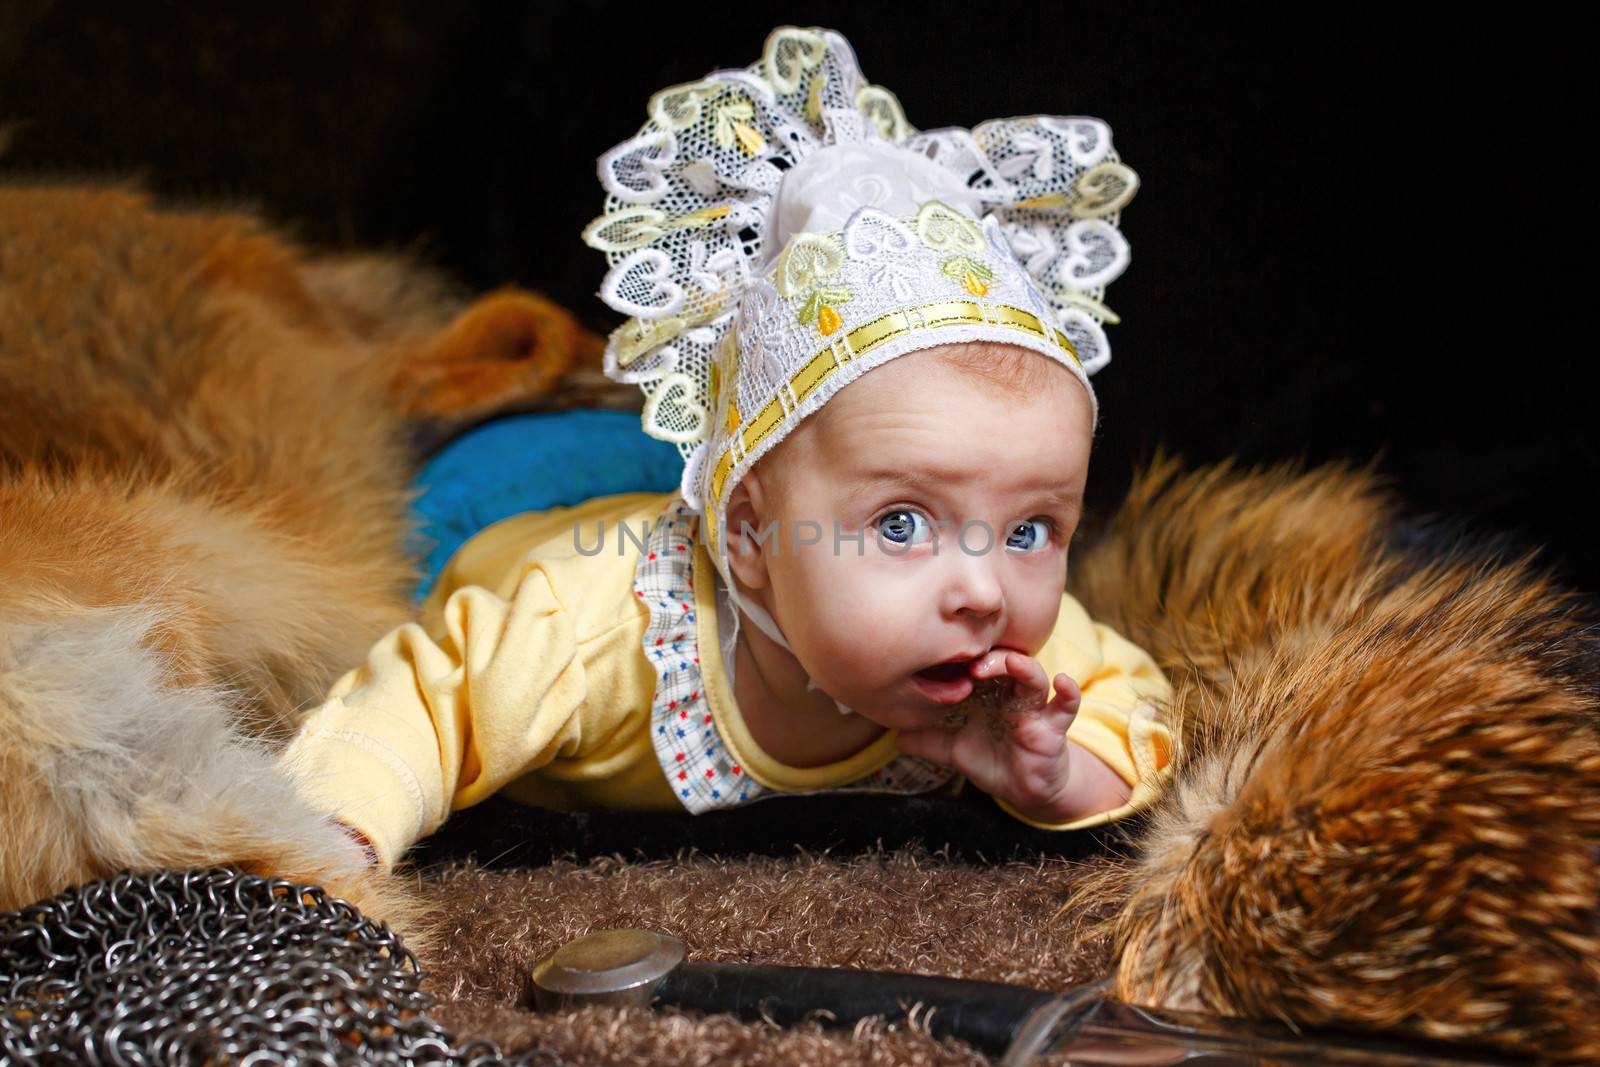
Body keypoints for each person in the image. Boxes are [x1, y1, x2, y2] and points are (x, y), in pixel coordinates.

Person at [281, 25, 1174, 869]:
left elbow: (1137, 710)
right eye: (903, 522)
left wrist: (1056, 775)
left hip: (696, 479)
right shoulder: (593, 629)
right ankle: (558, 416)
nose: (984, 590)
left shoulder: (1013, 661)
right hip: (503, 501)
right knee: (485, 477)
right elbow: (427, 702)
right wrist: (339, 835)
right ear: (747, 536)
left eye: (1029, 531)